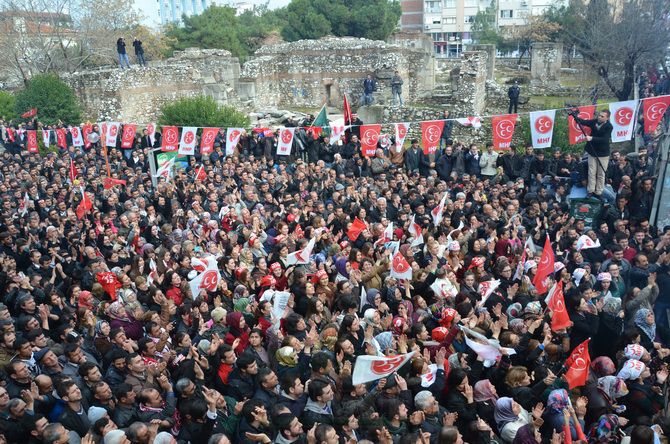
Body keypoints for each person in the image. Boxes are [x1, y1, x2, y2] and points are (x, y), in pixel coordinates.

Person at [574, 109, 613, 199]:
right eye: (599, 115)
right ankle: (590, 190)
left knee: (601, 173)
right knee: (591, 172)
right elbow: (585, 122)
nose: (599, 117)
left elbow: (605, 139)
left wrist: (592, 138)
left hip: (603, 153)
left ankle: (598, 191)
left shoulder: (609, 126)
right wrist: (576, 118)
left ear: (607, 118)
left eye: (602, 116)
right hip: (592, 151)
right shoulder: (595, 122)